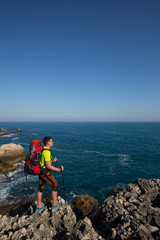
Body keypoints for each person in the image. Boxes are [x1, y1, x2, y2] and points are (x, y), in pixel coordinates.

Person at [36, 136, 64, 212]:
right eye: (51, 141)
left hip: (40, 171)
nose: (52, 142)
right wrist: (58, 169)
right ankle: (54, 205)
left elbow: (44, 162)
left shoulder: (43, 149)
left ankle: (39, 206)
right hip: (44, 172)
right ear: (48, 142)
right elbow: (48, 166)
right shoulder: (47, 152)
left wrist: (53, 161)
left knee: (41, 187)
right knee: (55, 184)